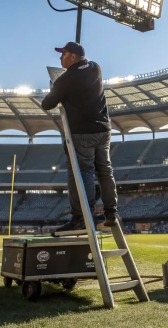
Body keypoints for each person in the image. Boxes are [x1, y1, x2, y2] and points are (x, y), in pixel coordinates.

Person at [41, 42, 118, 232]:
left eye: (64, 54)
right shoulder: (95, 67)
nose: (60, 58)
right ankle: (111, 213)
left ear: (73, 57)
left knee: (81, 173)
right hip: (103, 129)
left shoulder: (66, 79)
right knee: (105, 170)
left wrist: (56, 87)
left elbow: (47, 104)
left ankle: (82, 218)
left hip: (82, 132)